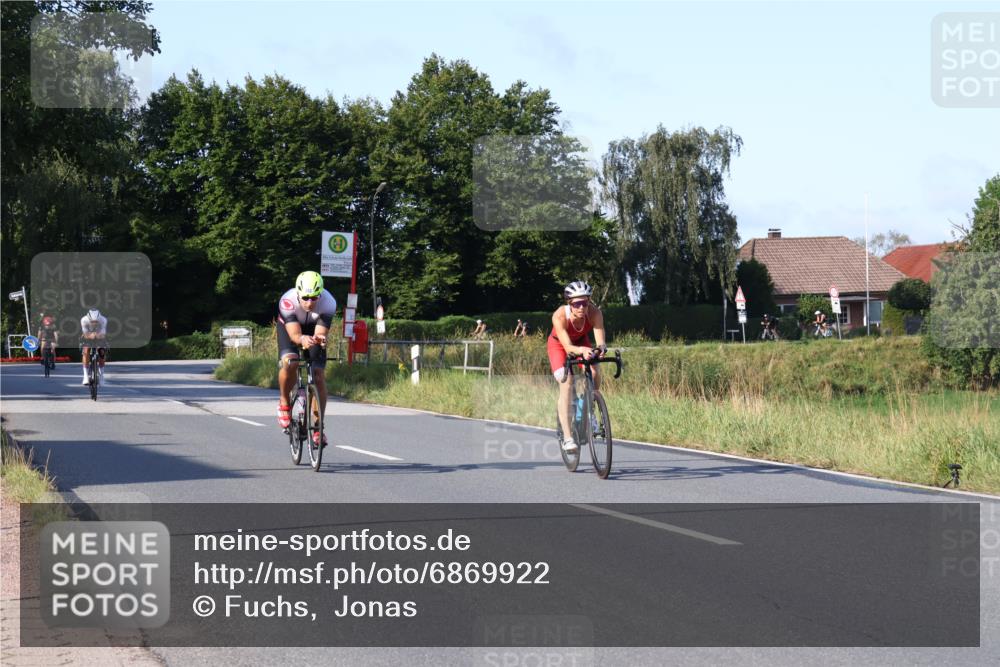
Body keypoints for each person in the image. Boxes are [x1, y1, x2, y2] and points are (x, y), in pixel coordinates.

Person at [276, 271, 336, 449]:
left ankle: (318, 428)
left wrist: (319, 339)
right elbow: (295, 335)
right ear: (298, 293)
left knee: (318, 375)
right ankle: (284, 402)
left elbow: (320, 333)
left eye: (314, 298)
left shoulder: (329, 302)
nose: (310, 302)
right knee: (291, 361)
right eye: (306, 297)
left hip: (313, 327)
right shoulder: (287, 301)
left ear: (321, 294)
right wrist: (302, 339)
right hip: (290, 327)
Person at [548, 280, 607, 453]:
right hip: (559, 345)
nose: (582, 307)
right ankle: (567, 438)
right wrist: (582, 350)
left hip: (582, 342)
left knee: (595, 369)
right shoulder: (559, 315)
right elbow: (568, 348)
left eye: (585, 303)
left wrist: (601, 349)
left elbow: (600, 341)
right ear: (569, 304)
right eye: (577, 304)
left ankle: (590, 410)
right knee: (567, 383)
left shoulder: (595, 313)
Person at [80, 309, 108, 384]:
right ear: (89, 319)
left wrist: (97, 335)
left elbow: (103, 335)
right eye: (92, 322)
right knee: (86, 351)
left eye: (96, 322)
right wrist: (90, 335)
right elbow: (85, 334)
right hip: (88, 336)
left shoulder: (103, 320)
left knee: (101, 351)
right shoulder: (84, 320)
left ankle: (101, 376)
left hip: (99, 336)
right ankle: (85, 376)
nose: (94, 323)